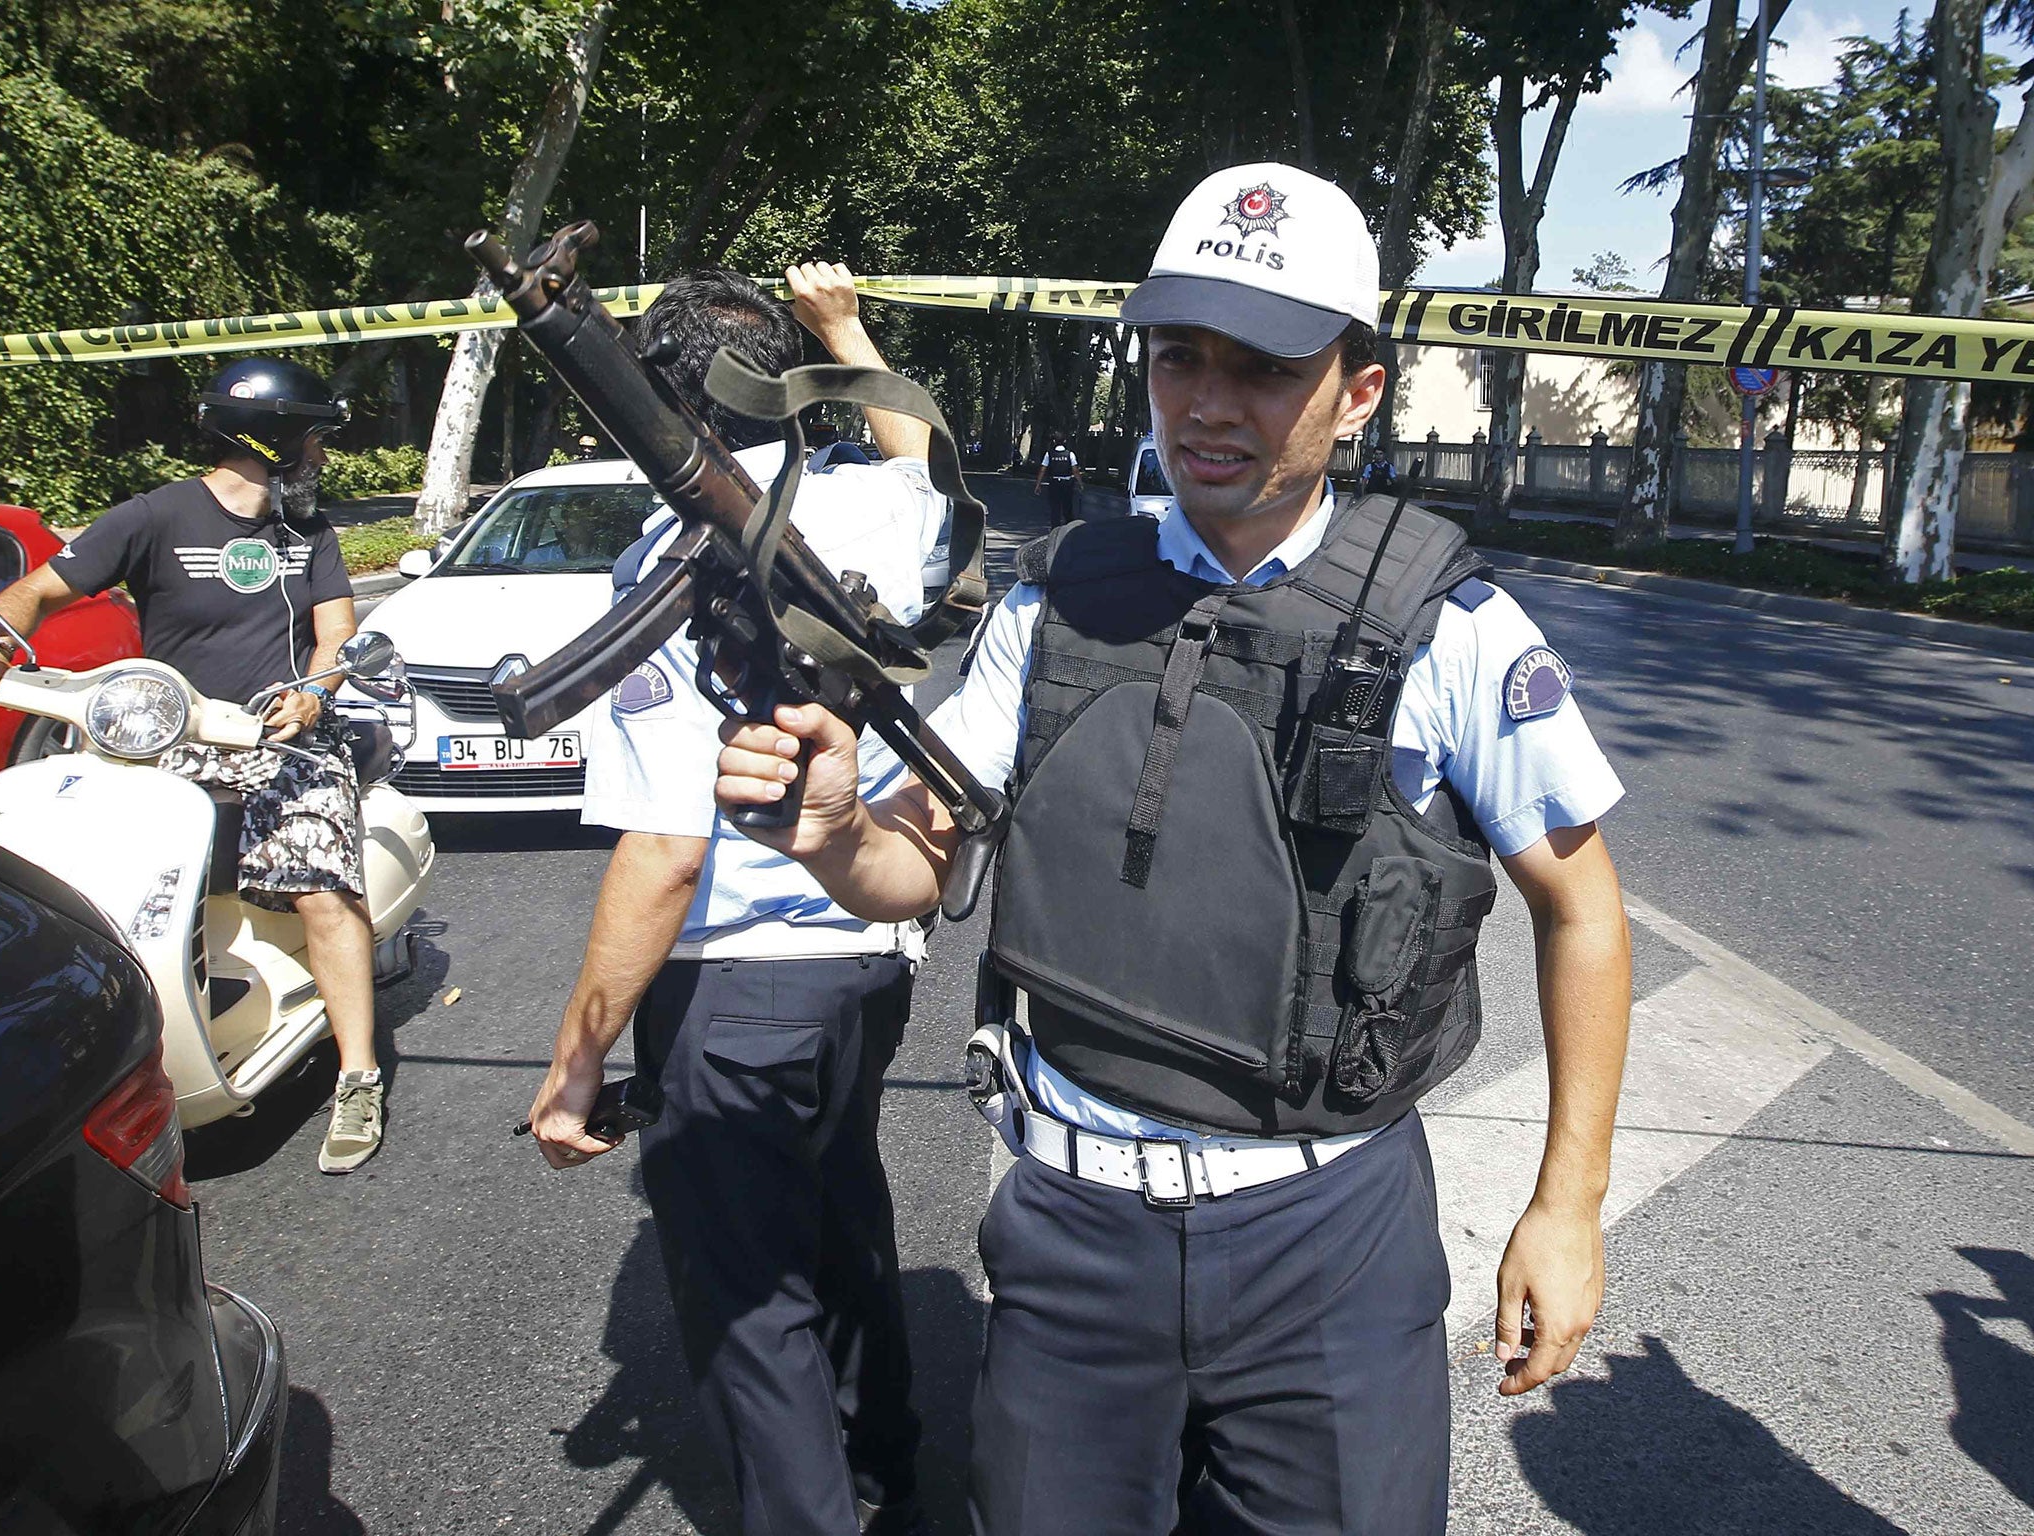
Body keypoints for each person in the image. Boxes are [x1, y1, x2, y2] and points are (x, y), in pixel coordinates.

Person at [714, 163, 1633, 1534]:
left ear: (1358, 389)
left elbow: (1584, 909)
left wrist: (1569, 1207)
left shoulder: (1454, 630)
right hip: (1073, 1234)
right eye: (1179, 356)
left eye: (1262, 367)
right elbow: (920, 861)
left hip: (1329, 1239)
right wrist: (839, 832)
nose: (1207, 404)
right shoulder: (1061, 600)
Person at [526, 261, 945, 1536]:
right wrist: (842, 327)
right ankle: (889, 1468)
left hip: (734, 993)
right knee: (842, 1224)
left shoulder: (674, 562)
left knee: (752, 1313)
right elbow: (916, 448)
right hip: (867, 962)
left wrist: (576, 1061)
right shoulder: (874, 510)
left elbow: (666, 852)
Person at [0, 359, 387, 1175]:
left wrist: (314, 695)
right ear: (269, 439)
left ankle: (358, 1074)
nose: (319, 454)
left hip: (285, 741)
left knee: (320, 885)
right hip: (172, 740)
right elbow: (38, 591)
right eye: (311, 437)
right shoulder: (154, 516)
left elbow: (337, 633)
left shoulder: (310, 531)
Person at [1034, 432, 1080, 528]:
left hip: (1054, 483)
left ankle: (1055, 530)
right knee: (1067, 507)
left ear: (1054, 441)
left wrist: (1038, 484)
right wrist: (1080, 482)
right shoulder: (1070, 454)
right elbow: (1075, 470)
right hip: (1067, 483)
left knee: (1055, 508)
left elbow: (1043, 469)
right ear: (1065, 441)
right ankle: (1070, 530)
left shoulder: (1049, 454)